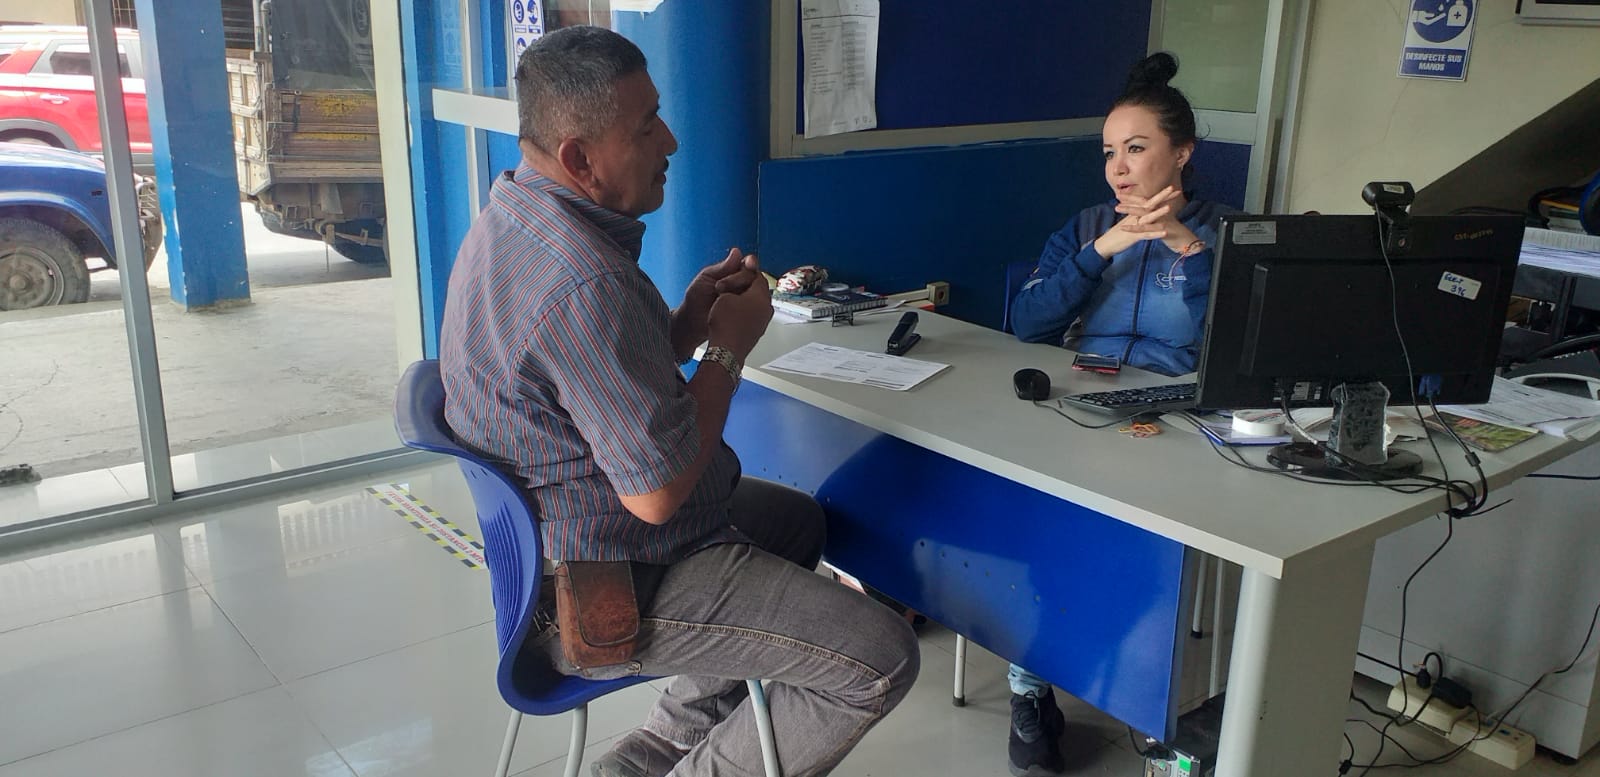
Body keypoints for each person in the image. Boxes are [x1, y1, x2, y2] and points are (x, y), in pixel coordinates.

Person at [438, 26, 920, 777]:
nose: (669, 141)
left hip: (564, 539)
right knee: (882, 658)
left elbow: (583, 379)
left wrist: (686, 326)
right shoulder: (583, 280)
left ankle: (656, 751)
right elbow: (658, 494)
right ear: (578, 158)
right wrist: (727, 350)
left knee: (797, 523)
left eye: (658, 114)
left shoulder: (516, 208)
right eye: (645, 128)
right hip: (605, 580)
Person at [1004, 52, 1237, 776]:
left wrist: (1186, 249)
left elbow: (1236, 343)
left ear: (1182, 152)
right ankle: (1028, 690)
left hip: (1177, 417)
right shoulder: (1086, 225)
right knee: (1040, 525)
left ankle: (1163, 711)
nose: (1118, 168)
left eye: (1136, 148)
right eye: (1109, 152)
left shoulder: (1224, 232)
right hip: (1081, 404)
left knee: (1152, 556)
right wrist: (1102, 250)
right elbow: (1027, 322)